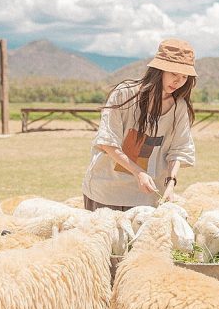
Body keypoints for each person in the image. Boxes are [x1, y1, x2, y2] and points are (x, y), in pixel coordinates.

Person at [82, 38, 197, 212]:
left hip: (147, 199)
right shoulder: (124, 94)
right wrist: (139, 172)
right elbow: (107, 142)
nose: (179, 81)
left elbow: (179, 150)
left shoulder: (179, 107)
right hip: (106, 193)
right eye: (174, 74)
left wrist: (171, 183)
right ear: (159, 70)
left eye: (184, 77)